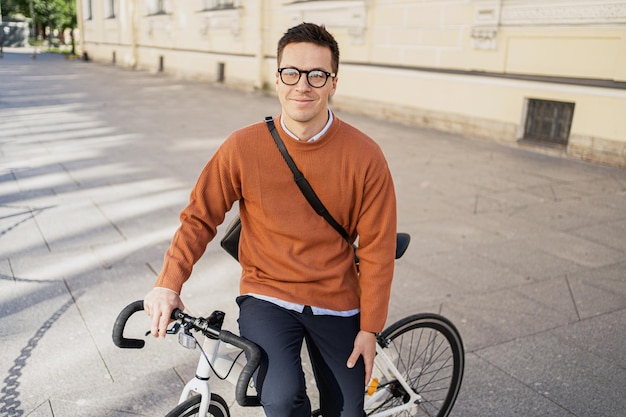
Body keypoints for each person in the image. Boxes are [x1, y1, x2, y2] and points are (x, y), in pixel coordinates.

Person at [144, 22, 397, 417]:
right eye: (291, 72)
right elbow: (199, 217)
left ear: (333, 83)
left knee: (348, 411)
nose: (303, 85)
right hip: (268, 292)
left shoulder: (365, 155)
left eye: (317, 75)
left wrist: (370, 329)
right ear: (277, 79)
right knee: (280, 400)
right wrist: (168, 283)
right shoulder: (242, 146)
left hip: (337, 298)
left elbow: (378, 249)